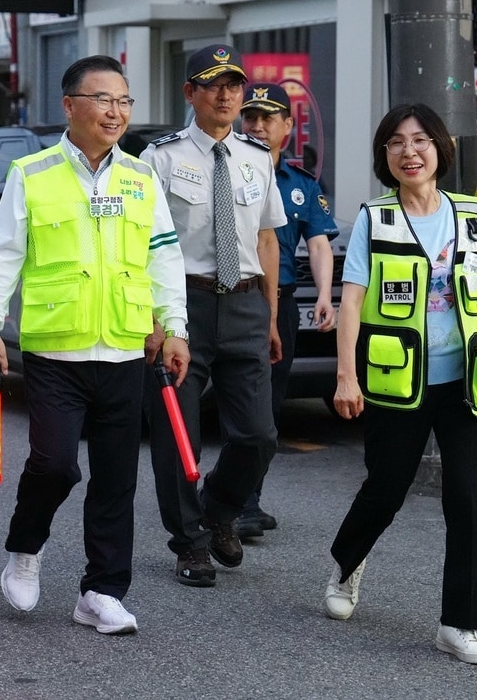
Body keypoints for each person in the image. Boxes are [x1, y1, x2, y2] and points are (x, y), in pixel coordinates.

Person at [0, 55, 190, 635]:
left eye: (124, 101)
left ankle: (101, 591)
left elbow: (163, 255)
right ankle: (26, 546)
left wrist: (175, 327)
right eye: (104, 100)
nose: (116, 112)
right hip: (55, 351)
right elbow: (4, 256)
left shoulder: (142, 178)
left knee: (117, 478)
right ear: (71, 105)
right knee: (54, 464)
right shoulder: (33, 173)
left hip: (124, 347)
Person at [324, 102, 477, 666]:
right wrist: (346, 374)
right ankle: (344, 563)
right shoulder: (374, 219)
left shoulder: (470, 215)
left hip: (463, 382)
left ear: (440, 149)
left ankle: (460, 625)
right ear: (386, 157)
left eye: (421, 140)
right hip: (395, 380)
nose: (410, 151)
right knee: (386, 489)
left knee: (468, 498)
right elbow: (352, 301)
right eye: (397, 143)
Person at [140, 44, 286, 588]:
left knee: (258, 435)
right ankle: (190, 544)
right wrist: (156, 320)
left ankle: (220, 507)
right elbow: (143, 246)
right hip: (183, 306)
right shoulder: (161, 158)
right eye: (212, 84)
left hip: (246, 303)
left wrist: (269, 315)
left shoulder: (256, 156)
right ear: (190, 93)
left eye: (234, 84)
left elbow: (266, 238)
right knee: (179, 434)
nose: (225, 94)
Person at [236, 83, 338, 538]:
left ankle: (245, 499)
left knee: (268, 408)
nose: (258, 126)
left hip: (277, 306)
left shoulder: (301, 186)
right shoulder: (227, 169)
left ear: (287, 128)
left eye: (268, 118)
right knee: (232, 403)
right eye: (251, 117)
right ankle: (215, 497)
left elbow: (317, 243)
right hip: (227, 296)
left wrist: (321, 293)